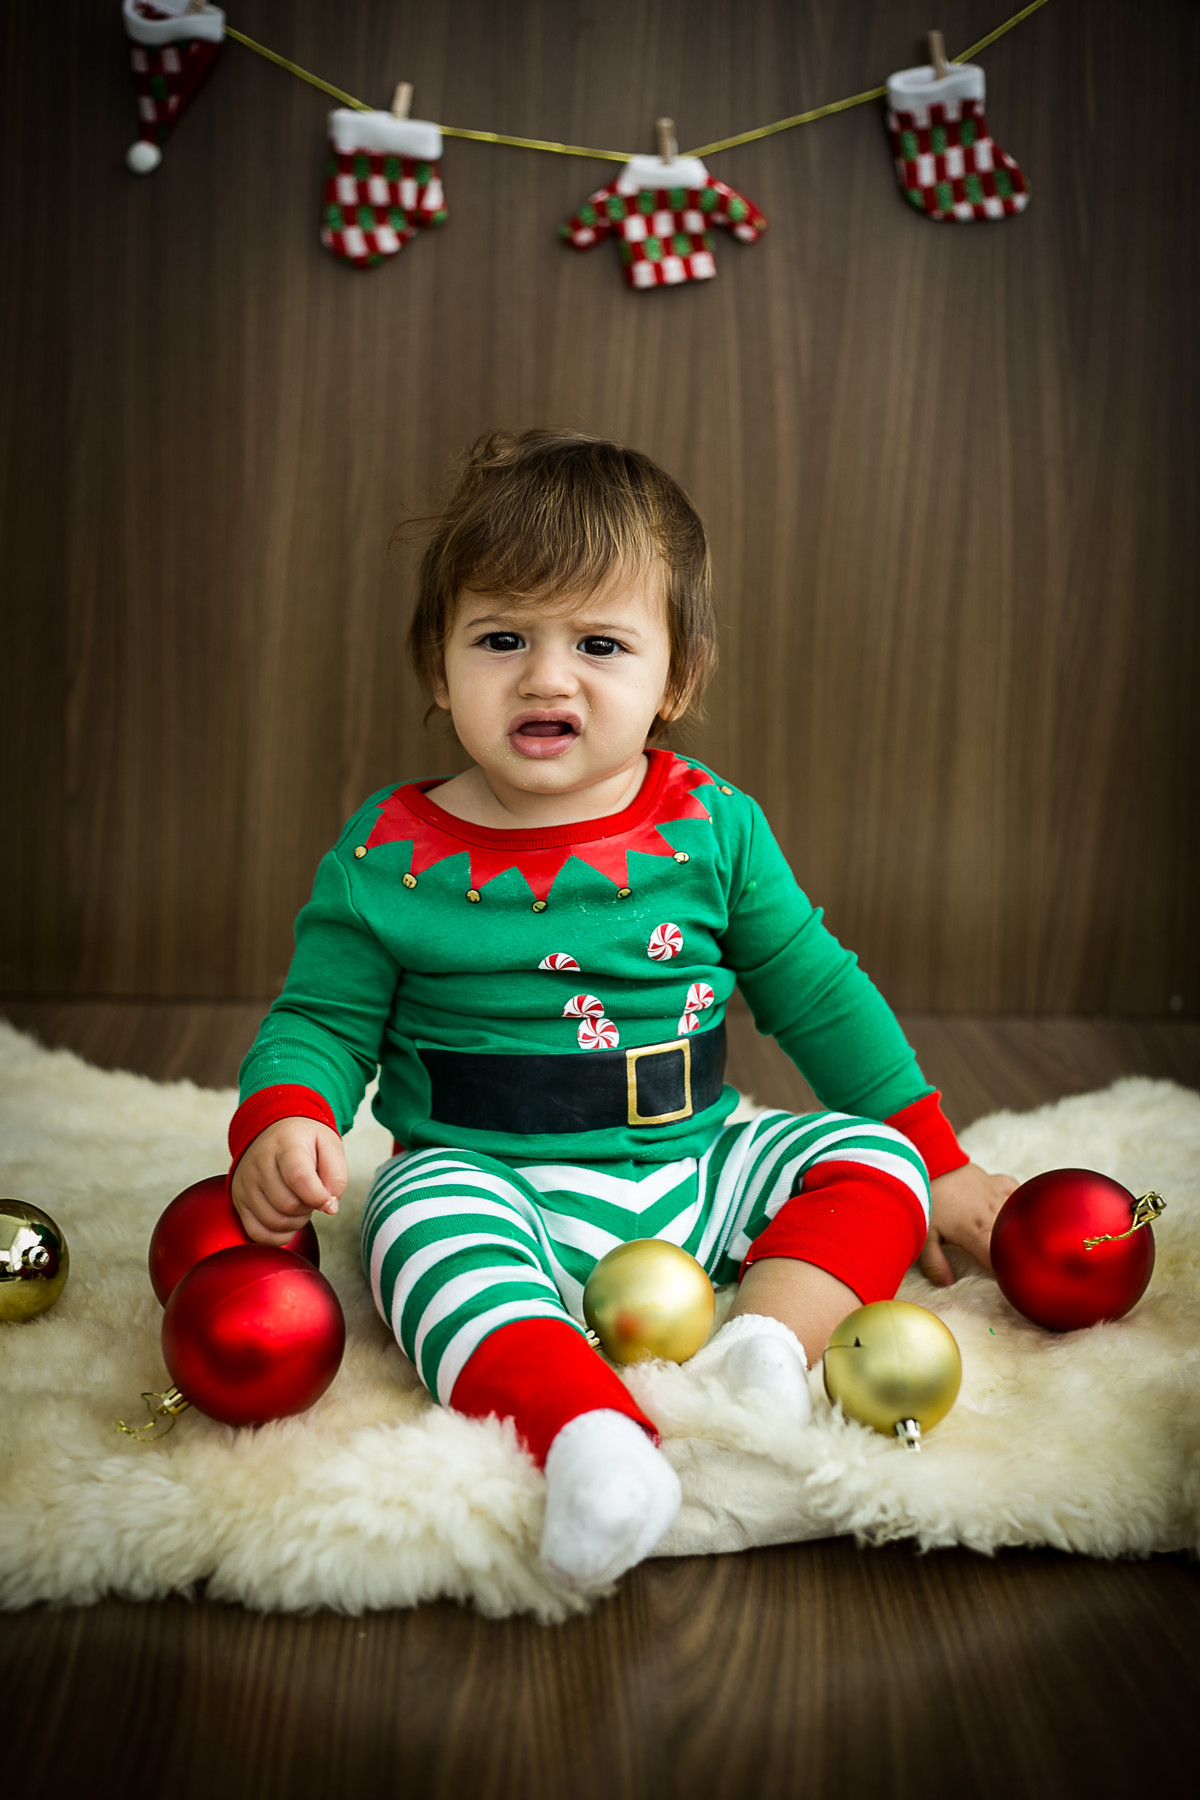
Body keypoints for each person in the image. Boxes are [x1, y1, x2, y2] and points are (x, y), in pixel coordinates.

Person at [229, 429, 1016, 1591]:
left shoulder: (713, 827)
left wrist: (938, 1157)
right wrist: (284, 1117)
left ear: (676, 678)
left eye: (599, 643)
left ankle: (768, 1347)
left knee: (869, 1163)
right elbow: (321, 1022)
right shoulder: (387, 856)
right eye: (502, 640)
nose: (548, 677)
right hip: (487, 1171)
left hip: (700, 1152)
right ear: (440, 673)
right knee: (412, 1233)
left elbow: (816, 988)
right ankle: (590, 1439)